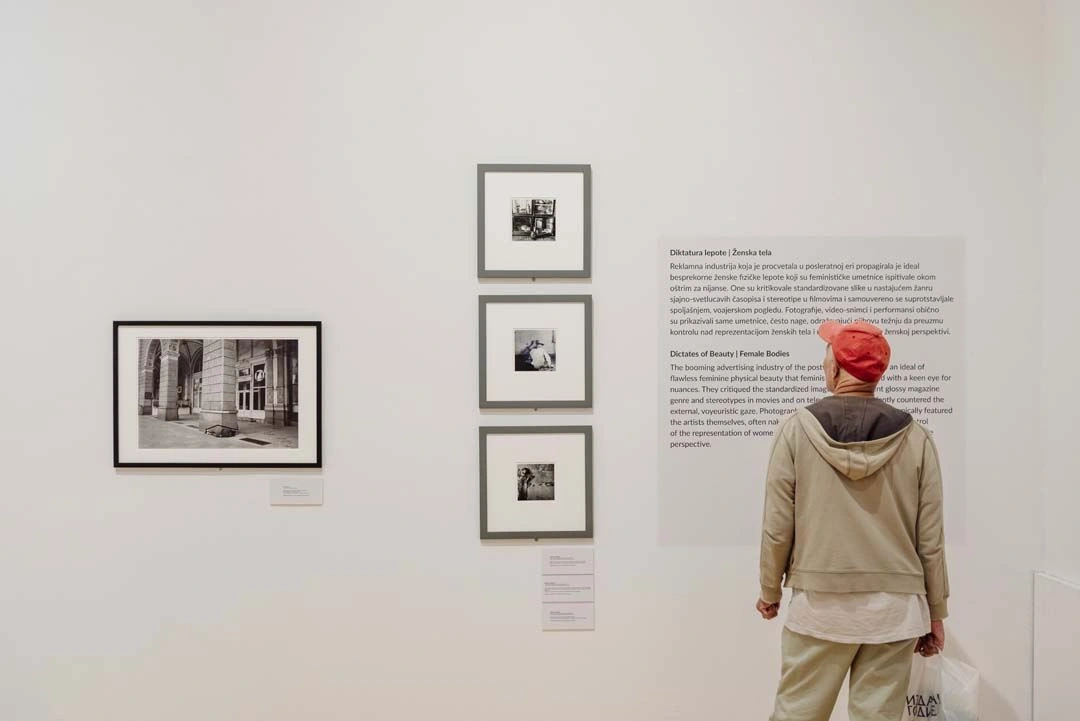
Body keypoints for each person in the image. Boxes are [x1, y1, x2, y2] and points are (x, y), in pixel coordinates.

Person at [758, 320, 949, 721]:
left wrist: (769, 590)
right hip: (895, 612)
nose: (824, 362)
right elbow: (929, 539)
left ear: (838, 369)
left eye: (828, 354)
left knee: (797, 714)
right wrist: (936, 611)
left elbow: (778, 526)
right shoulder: (917, 438)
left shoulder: (796, 431)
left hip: (819, 605)